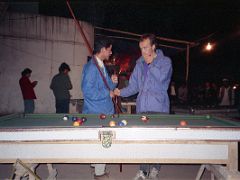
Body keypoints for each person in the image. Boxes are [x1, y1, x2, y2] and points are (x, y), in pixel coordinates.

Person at [114, 33, 172, 180]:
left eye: (146, 47)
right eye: (141, 48)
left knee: (158, 141)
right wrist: (120, 91)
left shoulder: (165, 62)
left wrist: (150, 64)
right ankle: (143, 171)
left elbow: (161, 78)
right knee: (143, 140)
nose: (143, 51)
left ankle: (155, 169)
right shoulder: (139, 64)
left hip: (159, 108)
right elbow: (134, 86)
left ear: (153, 46)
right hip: (143, 108)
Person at [81, 38, 118, 179]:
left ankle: (95, 164)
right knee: (104, 142)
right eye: (109, 49)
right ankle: (99, 173)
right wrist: (107, 93)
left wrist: (113, 83)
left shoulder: (100, 65)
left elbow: (108, 87)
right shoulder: (92, 68)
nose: (111, 52)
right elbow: (87, 91)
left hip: (102, 109)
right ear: (103, 49)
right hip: (98, 111)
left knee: (99, 141)